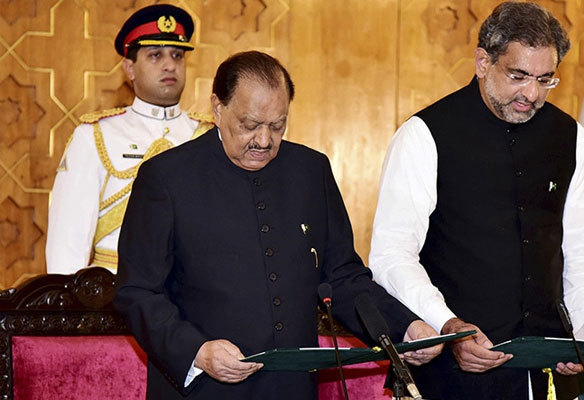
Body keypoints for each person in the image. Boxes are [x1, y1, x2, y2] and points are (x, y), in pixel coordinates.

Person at [113, 50, 442, 399]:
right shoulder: (166, 178)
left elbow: (343, 278)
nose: (264, 140)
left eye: (278, 125)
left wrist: (403, 326)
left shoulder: (310, 171)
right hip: (203, 389)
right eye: (250, 124)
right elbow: (137, 292)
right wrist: (197, 351)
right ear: (217, 108)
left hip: (290, 389)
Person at [368, 2, 584, 399]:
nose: (531, 93)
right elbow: (391, 255)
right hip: (449, 375)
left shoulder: (569, 136)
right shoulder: (424, 135)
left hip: (542, 373)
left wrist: (583, 328)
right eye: (518, 76)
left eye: (545, 79)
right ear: (483, 62)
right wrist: (448, 325)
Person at [46, 4, 213, 274]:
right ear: (129, 68)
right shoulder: (94, 135)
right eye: (155, 55)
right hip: (114, 297)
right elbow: (68, 242)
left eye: (177, 55)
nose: (170, 64)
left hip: (192, 298)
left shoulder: (209, 136)